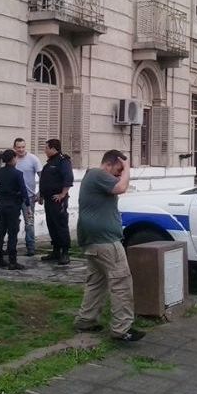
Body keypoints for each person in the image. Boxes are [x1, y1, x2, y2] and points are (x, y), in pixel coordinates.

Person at [73, 150, 145, 342]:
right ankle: (122, 329)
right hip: (105, 242)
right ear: (109, 164)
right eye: (118, 170)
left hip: (94, 241)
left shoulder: (94, 178)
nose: (119, 175)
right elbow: (121, 188)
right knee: (121, 282)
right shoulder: (97, 174)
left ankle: (86, 321)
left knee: (96, 284)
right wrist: (127, 167)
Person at [0, 149, 31, 271]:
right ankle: (13, 262)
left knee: (0, 233)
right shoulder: (17, 174)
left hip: (1, 205)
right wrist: (28, 207)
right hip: (13, 206)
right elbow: (23, 191)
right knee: (12, 234)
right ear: (13, 159)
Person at [38, 138, 74, 265]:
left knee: (61, 225)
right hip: (48, 199)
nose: (45, 150)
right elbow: (45, 181)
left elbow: (68, 178)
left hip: (58, 200)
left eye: (46, 148)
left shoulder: (63, 161)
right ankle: (56, 251)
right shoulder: (49, 163)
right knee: (51, 225)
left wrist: (63, 194)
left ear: (53, 149)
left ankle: (65, 252)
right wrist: (41, 195)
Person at [13, 137, 42, 256]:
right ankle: (11, 247)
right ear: (14, 148)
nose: (21, 150)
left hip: (29, 197)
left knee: (29, 223)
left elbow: (43, 177)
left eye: (23, 147)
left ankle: (31, 247)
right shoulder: (12, 159)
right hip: (14, 197)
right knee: (13, 223)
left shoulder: (33, 159)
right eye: (18, 147)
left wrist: (40, 193)